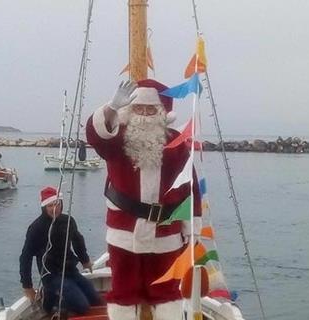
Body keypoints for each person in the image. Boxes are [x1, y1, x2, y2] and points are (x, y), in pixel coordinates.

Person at [86, 79, 202, 320]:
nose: (146, 115)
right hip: (124, 233)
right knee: (124, 293)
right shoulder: (117, 141)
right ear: (130, 110)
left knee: (166, 292)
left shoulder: (177, 143)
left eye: (152, 110)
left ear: (162, 113)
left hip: (166, 235)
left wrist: (191, 228)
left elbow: (189, 186)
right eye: (140, 109)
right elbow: (96, 136)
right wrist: (111, 108)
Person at [19, 186, 101, 315]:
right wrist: (27, 286)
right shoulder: (36, 228)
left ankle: (62, 295)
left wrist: (85, 260)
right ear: (44, 208)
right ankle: (49, 297)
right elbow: (25, 257)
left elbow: (78, 241)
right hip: (51, 275)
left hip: (70, 271)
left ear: (61, 204)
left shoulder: (67, 221)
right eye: (50, 206)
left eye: (57, 204)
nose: (54, 208)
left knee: (96, 300)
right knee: (82, 307)